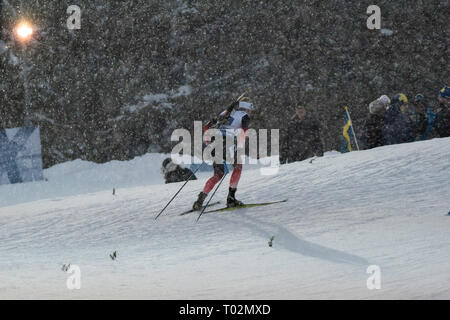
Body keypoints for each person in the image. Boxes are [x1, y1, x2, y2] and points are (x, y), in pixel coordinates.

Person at [192, 98, 253, 210]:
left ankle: (200, 200)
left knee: (218, 175)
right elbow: (244, 131)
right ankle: (231, 198)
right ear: (247, 108)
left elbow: (207, 126)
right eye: (251, 109)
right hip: (228, 143)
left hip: (215, 142)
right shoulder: (244, 116)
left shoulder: (225, 113)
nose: (251, 112)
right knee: (238, 166)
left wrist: (207, 141)